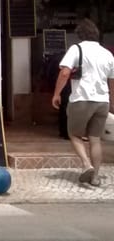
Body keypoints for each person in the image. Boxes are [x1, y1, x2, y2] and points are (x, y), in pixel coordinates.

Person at [51, 18, 114, 186]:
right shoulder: (107, 53)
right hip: (102, 101)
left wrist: (56, 94)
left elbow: (65, 73)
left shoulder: (76, 49)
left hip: (82, 98)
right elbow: (112, 81)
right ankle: (95, 178)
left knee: (74, 134)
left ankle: (86, 165)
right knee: (95, 139)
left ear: (80, 35)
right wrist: (111, 102)